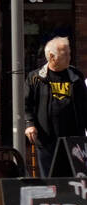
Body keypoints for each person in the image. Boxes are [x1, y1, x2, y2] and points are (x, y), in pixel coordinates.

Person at [24, 36, 87, 176]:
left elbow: (84, 105)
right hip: (47, 140)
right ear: (52, 57)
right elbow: (26, 103)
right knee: (50, 179)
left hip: (73, 140)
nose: (70, 57)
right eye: (66, 54)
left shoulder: (76, 76)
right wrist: (29, 124)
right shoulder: (36, 77)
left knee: (76, 179)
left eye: (69, 53)